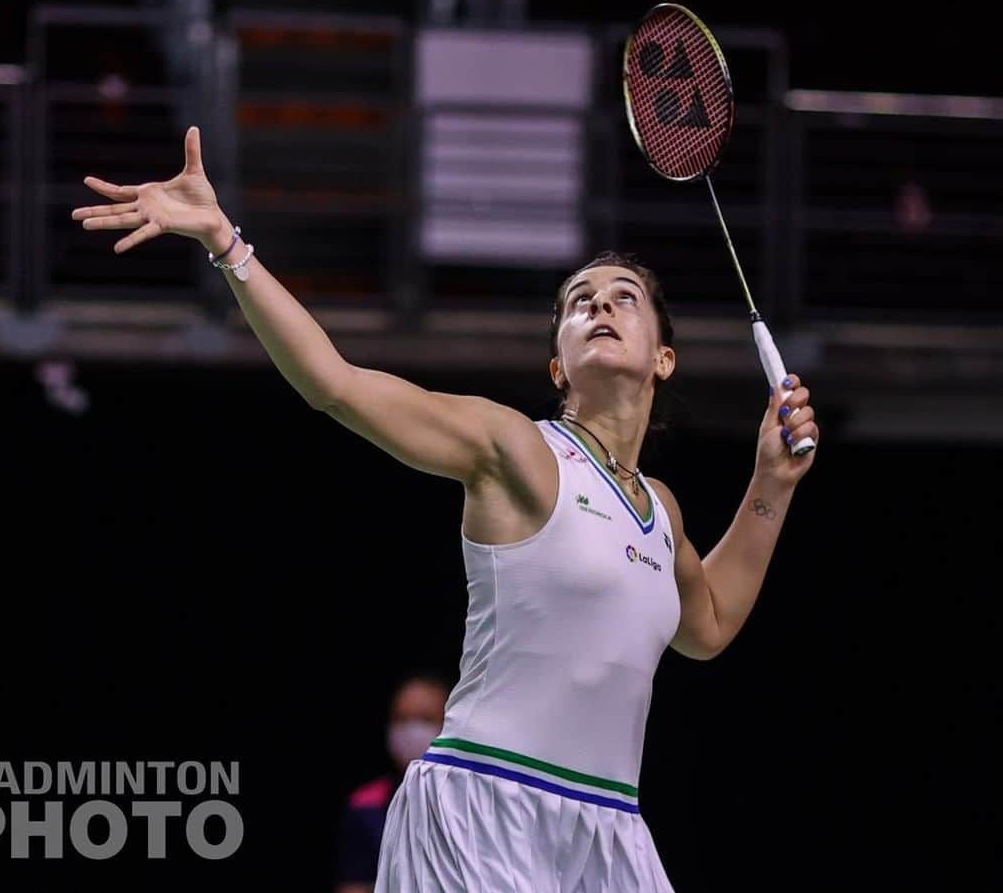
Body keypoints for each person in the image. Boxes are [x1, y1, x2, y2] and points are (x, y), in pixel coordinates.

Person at [73, 126, 819, 892]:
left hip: (608, 828)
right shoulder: (517, 449)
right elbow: (335, 383)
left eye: (623, 298)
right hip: (483, 806)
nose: (600, 305)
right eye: (579, 301)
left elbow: (710, 625)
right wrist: (227, 243)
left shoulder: (660, 512)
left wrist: (772, 482)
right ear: (557, 363)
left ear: (663, 356)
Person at [336, 674, 451, 893]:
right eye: (401, 719)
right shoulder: (364, 806)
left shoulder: (470, 801)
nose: (411, 730)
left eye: (425, 719)